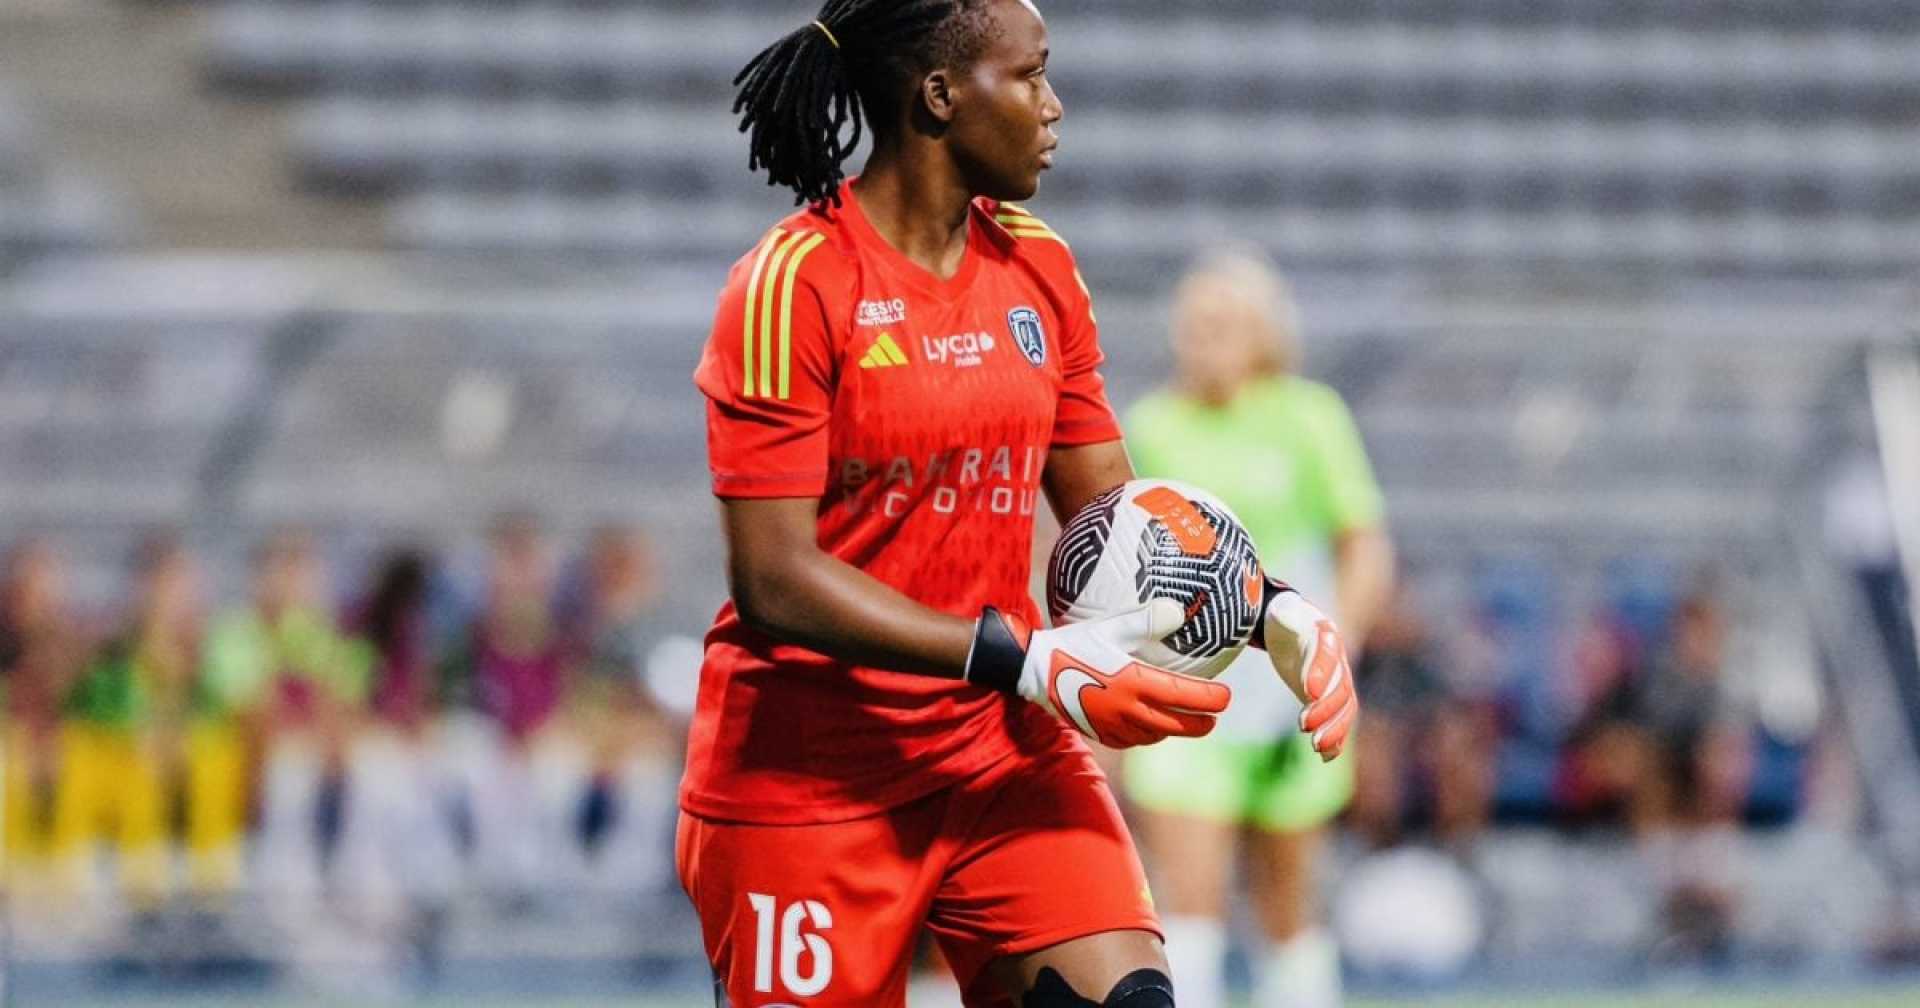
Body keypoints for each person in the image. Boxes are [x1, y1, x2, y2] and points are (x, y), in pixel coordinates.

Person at [680, 4, 1358, 1006]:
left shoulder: (1038, 265)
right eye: (1030, 75)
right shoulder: (792, 285)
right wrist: (1030, 659)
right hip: (812, 780)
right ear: (941, 95)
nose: (1054, 105)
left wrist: (1270, 610)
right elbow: (773, 579)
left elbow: (1119, 519)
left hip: (1003, 753)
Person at [1120, 252, 1394, 1008]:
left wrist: (1337, 644)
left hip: (1287, 691)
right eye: (1193, 325)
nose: (1203, 340)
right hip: (1186, 688)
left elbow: (1363, 543)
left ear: (1264, 333)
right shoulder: (1152, 426)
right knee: (1187, 896)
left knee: (1287, 899)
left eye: (1223, 324)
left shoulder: (1309, 418)